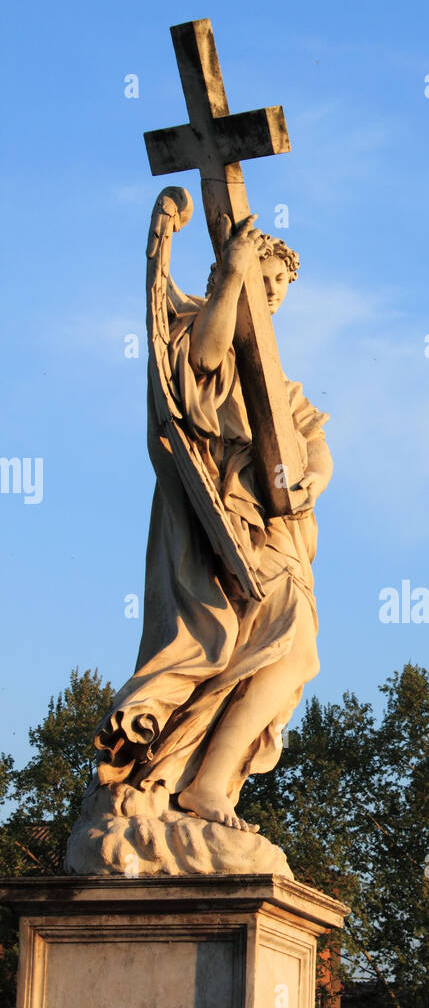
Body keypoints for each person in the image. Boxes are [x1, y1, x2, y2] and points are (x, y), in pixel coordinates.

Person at [91, 212, 332, 834]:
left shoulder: (282, 383)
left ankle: (203, 782)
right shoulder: (205, 322)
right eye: (266, 276)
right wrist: (232, 276)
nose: (273, 291)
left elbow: (313, 436)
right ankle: (199, 783)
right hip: (220, 518)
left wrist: (314, 479)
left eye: (280, 283)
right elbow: (201, 358)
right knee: (274, 646)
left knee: (283, 657)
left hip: (279, 532)